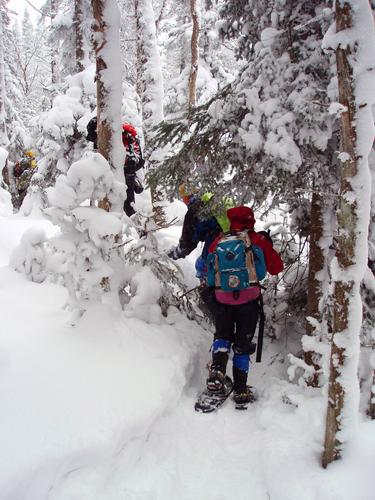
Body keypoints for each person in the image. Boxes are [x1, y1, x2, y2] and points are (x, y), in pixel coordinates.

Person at [205, 206, 283, 406]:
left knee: (222, 335)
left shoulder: (219, 240)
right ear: (252, 220)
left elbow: (204, 267)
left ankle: (216, 374)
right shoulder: (258, 240)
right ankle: (240, 391)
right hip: (248, 300)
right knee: (243, 342)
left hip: (221, 298)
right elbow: (276, 267)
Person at [86, 118, 144, 216]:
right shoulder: (105, 135)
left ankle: (132, 223)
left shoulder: (124, 136)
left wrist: (129, 169)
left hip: (127, 169)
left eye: (95, 137)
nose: (95, 140)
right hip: (115, 170)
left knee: (128, 204)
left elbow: (136, 157)